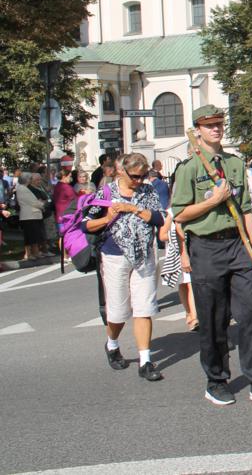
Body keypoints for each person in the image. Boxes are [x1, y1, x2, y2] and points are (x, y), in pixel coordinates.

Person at [170, 105, 252, 407]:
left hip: (237, 244)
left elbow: (246, 209)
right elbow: (180, 214)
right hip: (206, 246)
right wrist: (213, 201)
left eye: (219, 124)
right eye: (209, 126)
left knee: (251, 314)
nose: (216, 129)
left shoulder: (234, 163)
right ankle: (216, 380)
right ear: (198, 130)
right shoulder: (190, 168)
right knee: (213, 318)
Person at [83, 153, 166, 382]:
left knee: (144, 309)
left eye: (142, 176)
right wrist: (107, 218)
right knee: (118, 312)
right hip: (114, 256)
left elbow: (159, 218)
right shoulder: (106, 193)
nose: (139, 181)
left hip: (144, 256)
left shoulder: (148, 191)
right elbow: (85, 225)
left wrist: (134, 209)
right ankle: (112, 344)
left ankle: (145, 361)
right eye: (135, 176)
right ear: (122, 171)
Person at [15, 173, 47, 260]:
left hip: (31, 215)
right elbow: (33, 202)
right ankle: (31, 253)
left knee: (33, 236)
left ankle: (34, 253)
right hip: (29, 215)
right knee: (31, 236)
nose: (30, 180)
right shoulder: (22, 189)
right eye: (30, 178)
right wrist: (42, 204)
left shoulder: (23, 188)